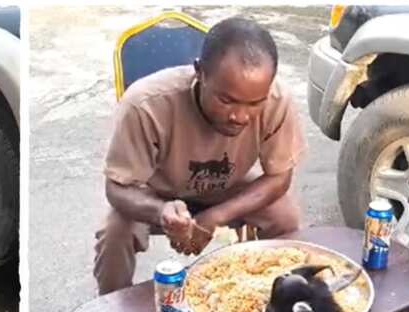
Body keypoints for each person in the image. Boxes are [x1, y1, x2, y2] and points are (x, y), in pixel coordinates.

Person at [95, 17, 307, 295]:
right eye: (226, 100)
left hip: (228, 189)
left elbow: (280, 177)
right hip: (158, 192)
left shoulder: (277, 100)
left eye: (255, 103)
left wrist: (214, 217)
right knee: (115, 231)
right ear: (200, 72)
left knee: (285, 217)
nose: (240, 116)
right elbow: (117, 188)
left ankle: (277, 300)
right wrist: (162, 212)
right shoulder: (145, 105)